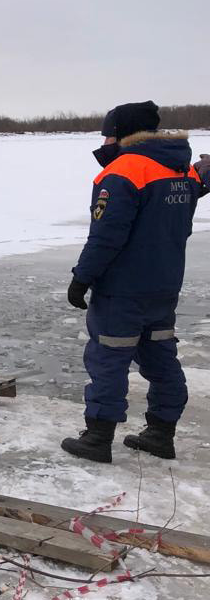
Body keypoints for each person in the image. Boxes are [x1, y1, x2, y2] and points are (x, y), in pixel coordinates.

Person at [61, 102, 202, 463]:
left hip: (122, 290)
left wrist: (82, 277)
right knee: (161, 357)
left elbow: (107, 235)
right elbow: (188, 189)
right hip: (164, 287)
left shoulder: (125, 170)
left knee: (108, 358)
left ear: (123, 134)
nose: (105, 140)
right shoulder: (179, 167)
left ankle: (97, 438)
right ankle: (161, 433)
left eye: (108, 133)